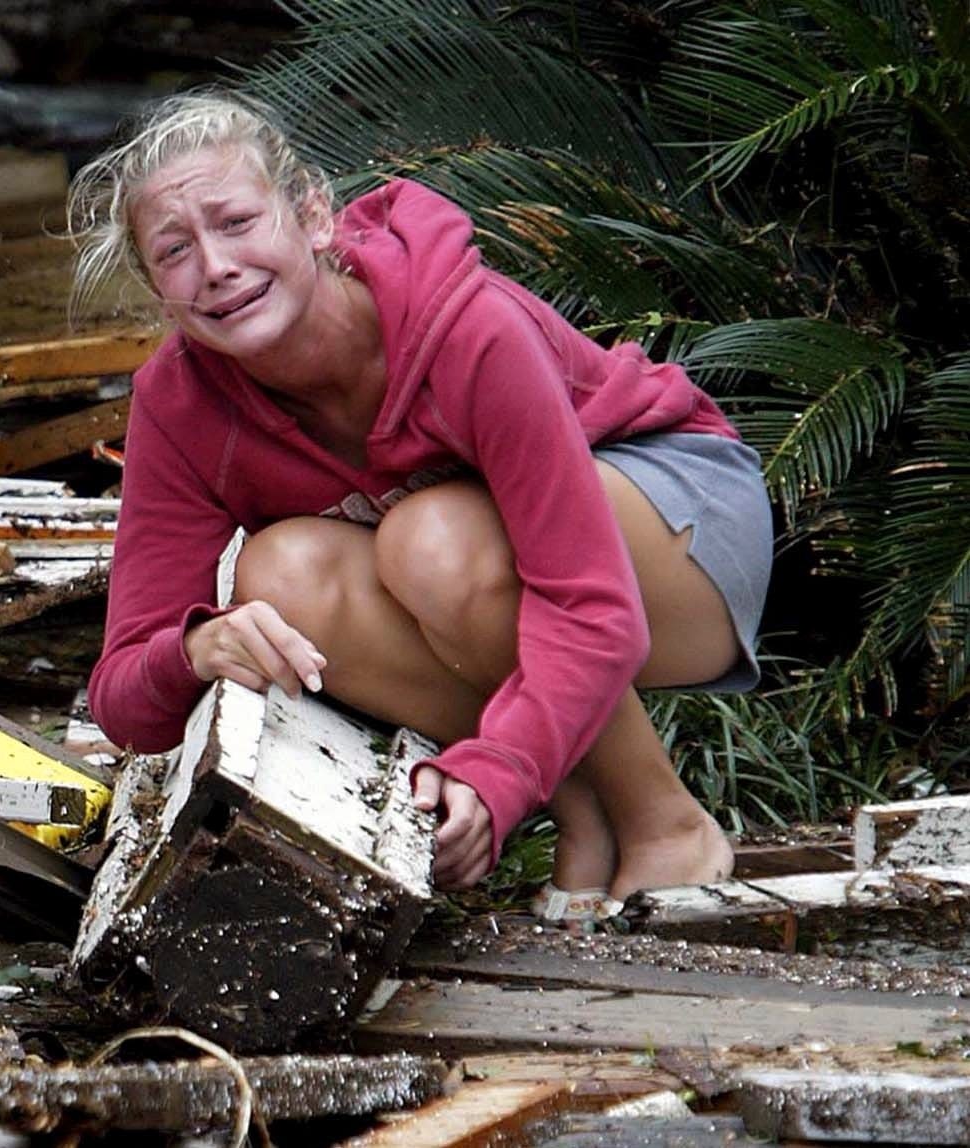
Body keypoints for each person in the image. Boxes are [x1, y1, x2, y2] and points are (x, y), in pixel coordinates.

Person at [70, 91, 774, 918]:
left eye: (236, 222)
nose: (216, 266)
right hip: (511, 592)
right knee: (276, 576)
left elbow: (592, 606)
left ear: (313, 217)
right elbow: (123, 695)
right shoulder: (178, 403)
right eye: (175, 249)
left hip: (672, 530)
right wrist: (193, 650)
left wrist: (496, 771)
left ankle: (664, 823)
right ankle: (589, 811)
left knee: (429, 536)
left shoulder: (467, 327)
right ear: (158, 293)